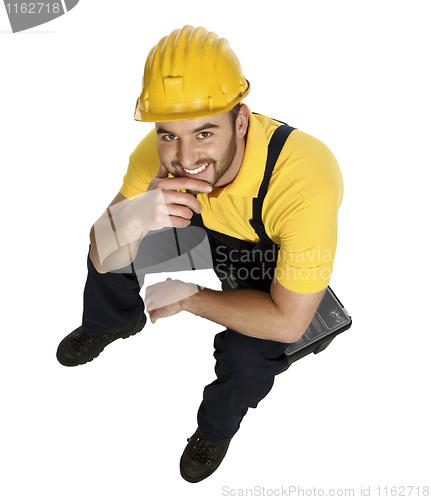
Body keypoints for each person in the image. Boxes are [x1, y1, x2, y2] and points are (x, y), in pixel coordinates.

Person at [56, 25, 344, 483]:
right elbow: (99, 248)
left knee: (250, 357)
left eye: (205, 133)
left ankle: (213, 431)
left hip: (262, 255)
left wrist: (192, 297)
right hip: (202, 228)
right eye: (169, 135)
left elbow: (288, 320)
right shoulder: (157, 154)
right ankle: (112, 321)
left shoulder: (305, 175)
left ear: (242, 121)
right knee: (117, 239)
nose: (184, 157)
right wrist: (134, 218)